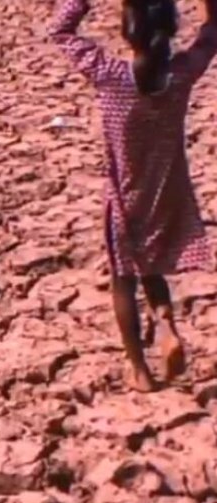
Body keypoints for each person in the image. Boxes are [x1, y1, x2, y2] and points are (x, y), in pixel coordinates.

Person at [49, 0, 217, 392]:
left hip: (124, 195)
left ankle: (138, 368)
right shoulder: (179, 77)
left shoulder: (109, 75)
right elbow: (213, 33)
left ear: (128, 32)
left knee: (123, 276)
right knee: (151, 263)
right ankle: (165, 323)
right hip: (167, 191)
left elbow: (59, 31)